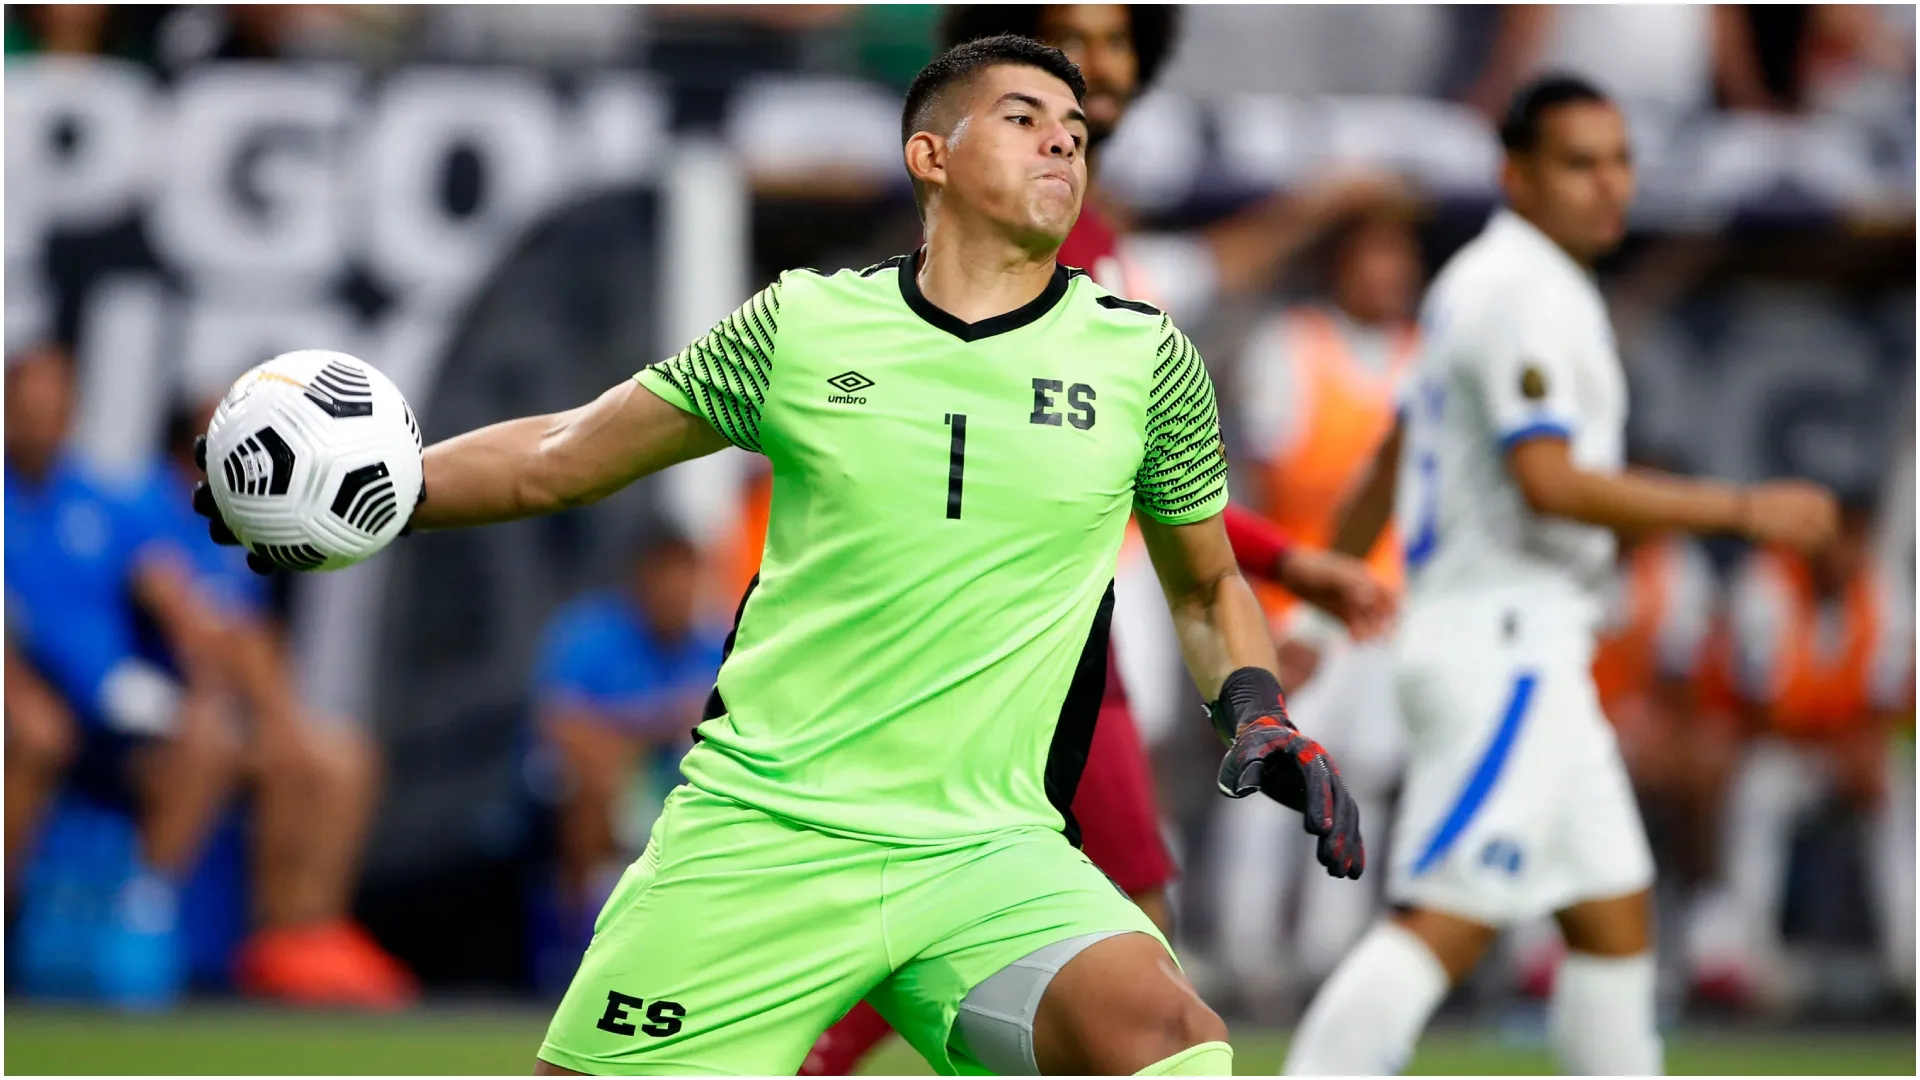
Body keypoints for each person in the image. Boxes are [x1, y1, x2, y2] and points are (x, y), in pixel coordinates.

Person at [197, 35, 1366, 1076]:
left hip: (990, 851)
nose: (1065, 140)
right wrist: (365, 494)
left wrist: (1255, 709)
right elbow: (562, 455)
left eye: (1074, 128)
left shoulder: (1146, 360)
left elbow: (1207, 584)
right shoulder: (802, 324)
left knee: (1170, 1044)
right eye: (1023, 118)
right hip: (766, 834)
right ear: (931, 156)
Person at [798, 10, 1402, 1069]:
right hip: (1012, 630)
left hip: (1065, 627)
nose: (1104, 65)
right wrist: (1287, 559)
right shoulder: (1021, 243)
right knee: (1117, 934)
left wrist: (1281, 565)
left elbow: (1132, 458)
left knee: (1081, 925)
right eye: (1074, 37)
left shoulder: (1093, 236)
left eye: (1121, 41)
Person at [1280, 75, 1839, 1075]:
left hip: (1532, 649)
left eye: (1619, 160)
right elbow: (1548, 482)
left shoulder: (1485, 283)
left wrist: (1319, 620)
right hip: (1503, 646)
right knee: (1448, 916)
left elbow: (1398, 452)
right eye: (1579, 163)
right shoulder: (1524, 292)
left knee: (1613, 913)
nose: (1609, 183)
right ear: (1517, 175)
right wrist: (1744, 509)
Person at [1211, 207, 1425, 1011]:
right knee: (1272, 771)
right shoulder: (1294, 346)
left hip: (1385, 607)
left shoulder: (1425, 357)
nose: (1388, 274)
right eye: (1373, 254)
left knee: (1366, 774)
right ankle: (1248, 951)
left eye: (1399, 255)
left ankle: (1331, 955)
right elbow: (1263, 476)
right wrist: (1280, 609)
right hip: (1296, 598)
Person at [146, 399, 415, 1008]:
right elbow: (192, 625)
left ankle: (315, 929)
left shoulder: (242, 523)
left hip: (241, 714)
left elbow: (254, 636)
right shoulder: (145, 509)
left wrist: (277, 716)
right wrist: (276, 720)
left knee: (347, 759)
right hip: (163, 713)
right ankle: (266, 937)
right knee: (266, 749)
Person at [5, 344, 240, 1002]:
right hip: (24, 705)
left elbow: (168, 593)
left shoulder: (105, 502)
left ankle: (138, 918)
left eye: (55, 407)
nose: (43, 421)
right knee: (36, 739)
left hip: (109, 712)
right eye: (29, 406)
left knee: (208, 740)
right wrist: (18, 695)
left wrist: (202, 670)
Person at [1685, 500, 1914, 1008]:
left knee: (1899, 787)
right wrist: (1843, 746)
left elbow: (1888, 700)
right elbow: (1765, 709)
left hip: (1849, 749)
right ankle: (1754, 956)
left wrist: (1864, 752)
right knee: (1758, 792)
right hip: (1783, 749)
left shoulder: (1883, 588)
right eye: (1838, 539)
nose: (1846, 554)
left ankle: (1908, 957)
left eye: (1856, 540)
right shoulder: (1766, 584)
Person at [532, 523, 726, 948]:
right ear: (643, 579)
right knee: (594, 783)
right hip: (600, 783)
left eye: (687, 579)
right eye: (666, 578)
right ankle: (579, 935)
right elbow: (559, 725)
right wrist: (651, 729)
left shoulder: (715, 645)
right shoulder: (588, 634)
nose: (677, 593)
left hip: (682, 782)